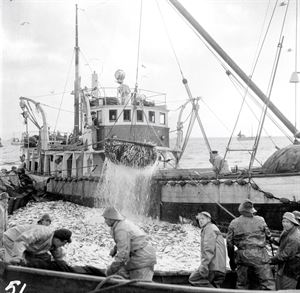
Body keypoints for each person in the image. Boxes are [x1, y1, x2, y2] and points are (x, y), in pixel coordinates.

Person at [226, 199, 275, 290]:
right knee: (268, 283)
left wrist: (231, 260)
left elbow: (229, 244)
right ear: (252, 210)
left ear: (241, 210)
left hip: (242, 257)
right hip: (260, 256)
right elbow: (269, 236)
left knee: (242, 284)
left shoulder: (234, 223)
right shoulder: (260, 220)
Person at [103, 206, 156, 280]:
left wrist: (111, 270)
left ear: (112, 219)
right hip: (142, 255)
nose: (105, 221)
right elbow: (125, 241)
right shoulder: (121, 224)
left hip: (142, 258)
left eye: (106, 219)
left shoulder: (121, 229)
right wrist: (115, 249)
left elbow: (123, 255)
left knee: (140, 286)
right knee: (122, 273)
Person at [3, 224, 72, 270]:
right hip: (13, 239)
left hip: (28, 246)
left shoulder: (54, 243)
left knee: (34, 262)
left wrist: (63, 266)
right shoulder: (42, 233)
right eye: (64, 243)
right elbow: (21, 241)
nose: (63, 246)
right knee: (14, 264)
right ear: (57, 240)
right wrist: (17, 256)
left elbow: (58, 256)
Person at [189, 211, 226, 288]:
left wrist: (204, 266)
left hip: (213, 267)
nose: (200, 221)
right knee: (215, 285)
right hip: (220, 267)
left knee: (194, 279)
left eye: (203, 218)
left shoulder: (209, 228)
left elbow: (208, 249)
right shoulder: (214, 228)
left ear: (209, 219)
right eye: (199, 219)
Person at [270, 212, 300, 290]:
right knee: (279, 289)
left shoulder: (295, 238)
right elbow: (281, 241)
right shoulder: (286, 231)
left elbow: (286, 255)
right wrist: (271, 239)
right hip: (282, 268)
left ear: (293, 223)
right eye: (283, 221)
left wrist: (269, 260)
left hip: (291, 270)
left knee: (287, 290)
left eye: (287, 222)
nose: (284, 224)